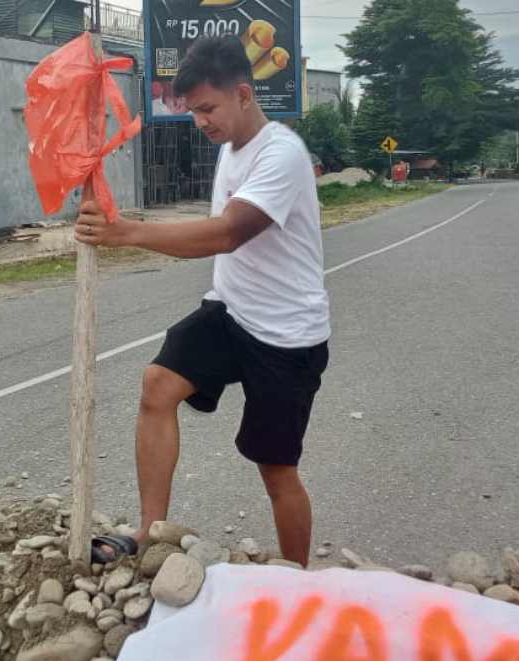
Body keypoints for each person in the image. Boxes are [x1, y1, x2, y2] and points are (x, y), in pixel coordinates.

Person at [74, 36, 330, 568]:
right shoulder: (231, 146)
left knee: (274, 467)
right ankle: (149, 532)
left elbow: (226, 234)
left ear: (242, 94)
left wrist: (126, 233)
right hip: (232, 312)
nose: (200, 122)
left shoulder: (281, 155)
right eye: (192, 112)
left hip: (287, 336)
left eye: (207, 109)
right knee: (157, 385)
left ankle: (298, 578)